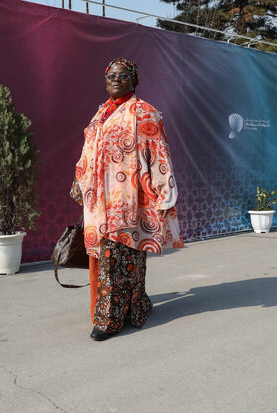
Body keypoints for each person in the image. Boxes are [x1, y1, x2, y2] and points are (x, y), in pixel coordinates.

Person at [70, 58, 183, 341]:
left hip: (132, 200)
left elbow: (159, 152)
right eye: (111, 76)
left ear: (135, 80)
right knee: (109, 258)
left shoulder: (145, 113)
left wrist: (165, 189)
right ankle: (121, 313)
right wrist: (79, 181)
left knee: (129, 257)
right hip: (100, 202)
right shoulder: (100, 115)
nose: (116, 80)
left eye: (122, 76)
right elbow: (88, 151)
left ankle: (122, 313)